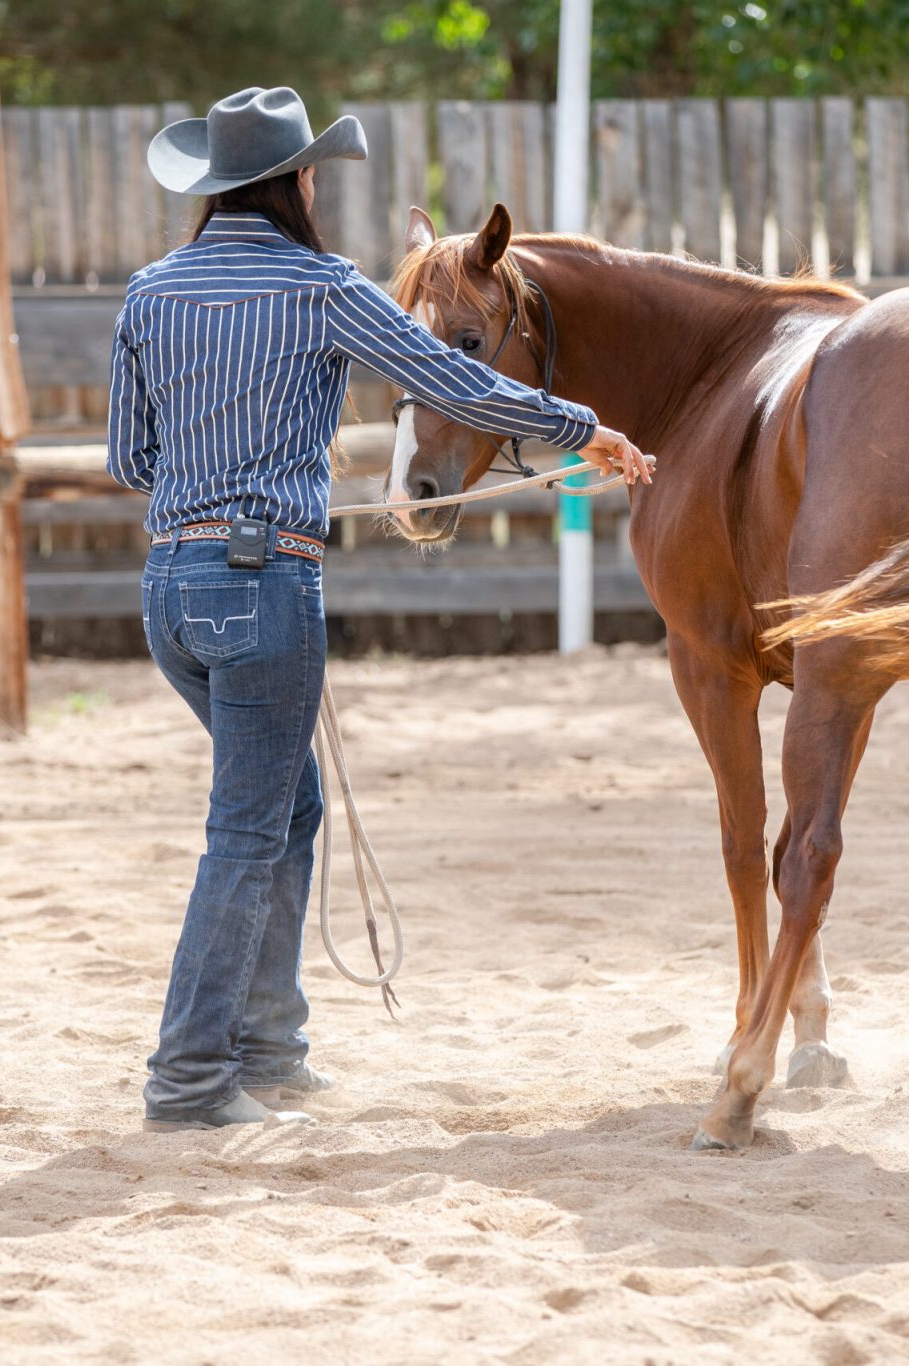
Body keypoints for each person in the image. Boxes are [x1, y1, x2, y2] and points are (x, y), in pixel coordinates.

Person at [111, 86, 648, 1132]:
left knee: (285, 808)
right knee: (246, 830)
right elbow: (459, 381)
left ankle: (268, 1048)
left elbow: (132, 460)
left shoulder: (150, 290)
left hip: (169, 591)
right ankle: (189, 1078)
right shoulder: (322, 288)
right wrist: (584, 426)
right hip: (263, 587)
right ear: (298, 182)